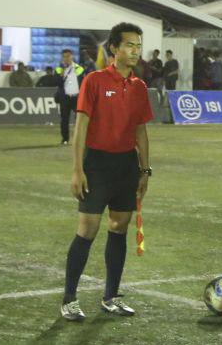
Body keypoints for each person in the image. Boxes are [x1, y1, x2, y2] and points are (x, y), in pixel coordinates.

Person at [60, 22, 154, 322]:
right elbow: (81, 127)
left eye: (138, 46)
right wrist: (77, 169)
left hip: (126, 165)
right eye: (129, 45)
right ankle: (69, 299)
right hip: (97, 164)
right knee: (87, 229)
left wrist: (144, 170)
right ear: (114, 48)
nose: (135, 51)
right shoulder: (95, 81)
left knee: (119, 227)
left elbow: (140, 131)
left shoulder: (139, 87)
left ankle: (111, 297)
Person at [54, 49, 86, 146]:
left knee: (79, 120)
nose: (66, 58)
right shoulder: (58, 69)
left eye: (68, 56)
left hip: (77, 98)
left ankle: (78, 138)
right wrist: (62, 74)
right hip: (65, 98)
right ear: (62, 58)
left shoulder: (79, 68)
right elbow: (57, 83)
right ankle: (65, 139)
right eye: (64, 56)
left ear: (72, 57)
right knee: (64, 119)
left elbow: (83, 83)